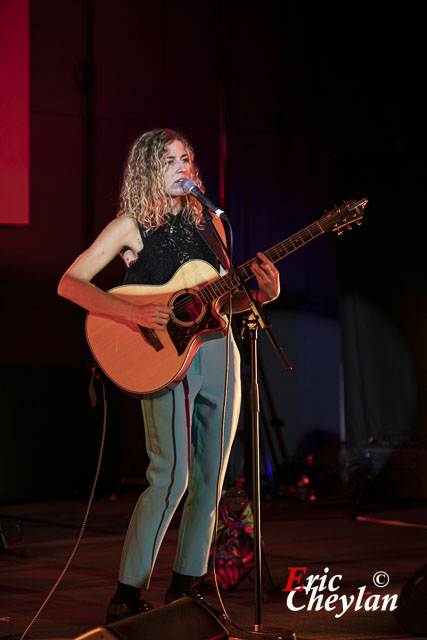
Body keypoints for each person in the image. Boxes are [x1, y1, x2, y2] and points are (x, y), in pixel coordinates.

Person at [57, 128, 280, 622]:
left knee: (210, 479)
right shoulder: (129, 226)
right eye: (171, 161)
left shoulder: (211, 225)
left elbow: (222, 302)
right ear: (147, 170)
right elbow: (70, 282)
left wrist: (261, 295)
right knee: (170, 477)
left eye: (187, 158)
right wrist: (131, 314)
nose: (184, 167)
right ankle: (127, 594)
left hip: (220, 350)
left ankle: (188, 588)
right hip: (162, 355)